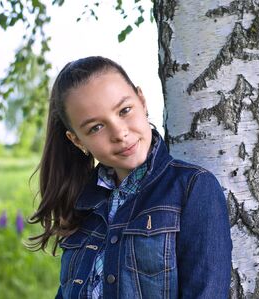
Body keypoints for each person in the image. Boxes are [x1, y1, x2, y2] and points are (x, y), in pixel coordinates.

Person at [28, 56, 232, 299]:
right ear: (77, 141)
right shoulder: (82, 203)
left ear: (142, 100)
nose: (120, 133)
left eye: (124, 110)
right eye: (96, 127)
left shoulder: (192, 188)